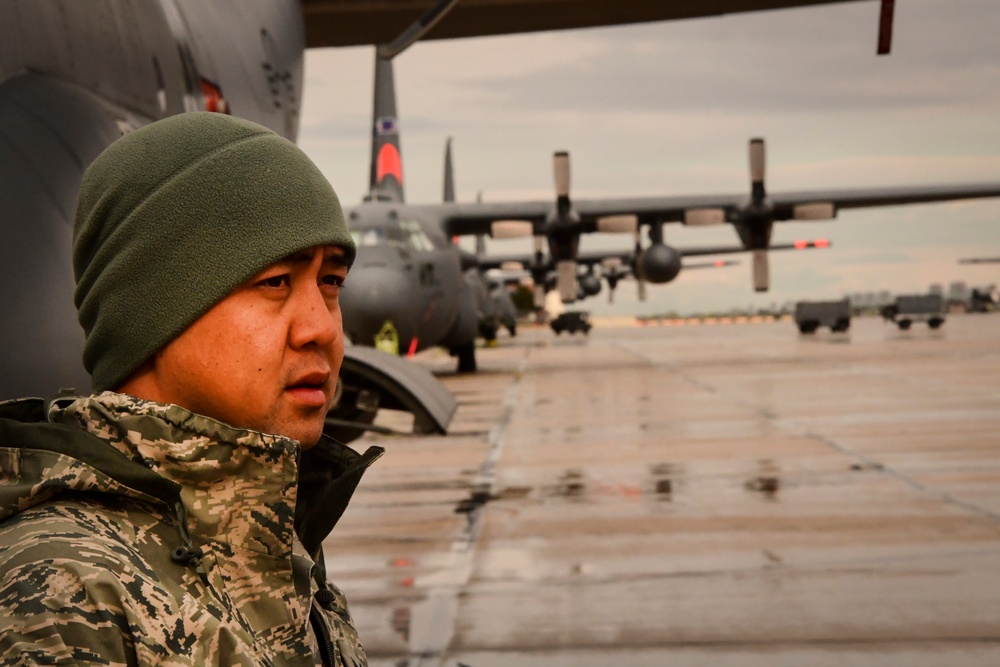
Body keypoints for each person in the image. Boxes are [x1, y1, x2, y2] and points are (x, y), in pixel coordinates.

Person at [0, 112, 382, 666]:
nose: (323, 327)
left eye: (331, 283)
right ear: (152, 314)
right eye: (275, 282)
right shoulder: (62, 595)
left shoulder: (273, 544)